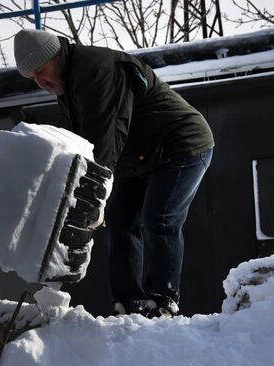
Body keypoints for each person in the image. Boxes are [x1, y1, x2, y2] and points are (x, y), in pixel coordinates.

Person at [14, 29, 214, 317]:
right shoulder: (67, 84)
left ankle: (162, 299)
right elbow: (83, 145)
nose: (41, 82)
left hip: (181, 144)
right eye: (33, 78)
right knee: (120, 218)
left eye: (41, 72)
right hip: (141, 156)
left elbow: (105, 138)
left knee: (159, 219)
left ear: (56, 56)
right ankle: (128, 302)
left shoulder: (96, 70)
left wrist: (94, 197)